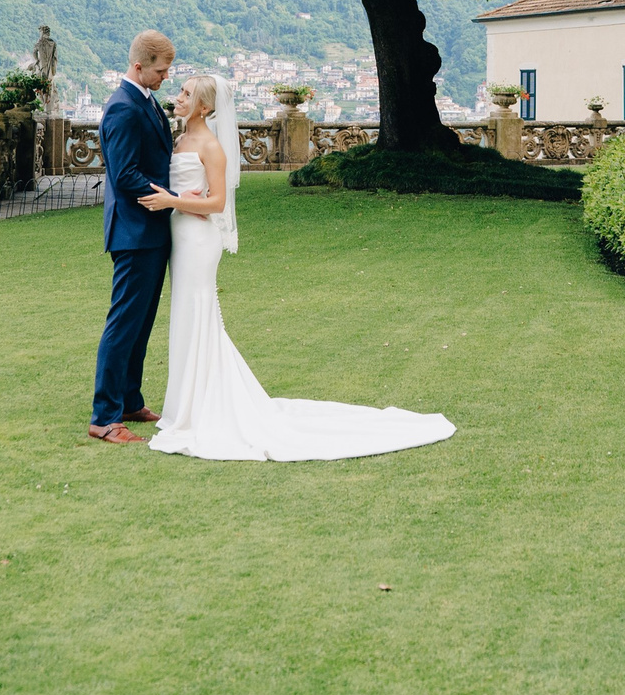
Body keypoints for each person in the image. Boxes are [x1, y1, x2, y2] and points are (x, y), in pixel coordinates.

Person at [138, 74, 455, 462]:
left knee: (197, 311)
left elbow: (218, 204)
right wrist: (181, 200)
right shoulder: (181, 138)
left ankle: (201, 406)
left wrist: (175, 201)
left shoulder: (210, 145)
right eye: (181, 92)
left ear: (205, 107)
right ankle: (184, 403)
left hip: (198, 240)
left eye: (187, 94)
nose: (179, 98)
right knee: (185, 314)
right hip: (181, 235)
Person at [88, 30, 175, 442]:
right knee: (123, 323)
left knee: (140, 324)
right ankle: (104, 417)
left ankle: (130, 399)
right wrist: (174, 199)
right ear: (139, 66)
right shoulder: (123, 107)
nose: (165, 77)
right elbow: (124, 175)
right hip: (133, 231)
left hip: (151, 231)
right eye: (160, 70)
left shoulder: (146, 100)